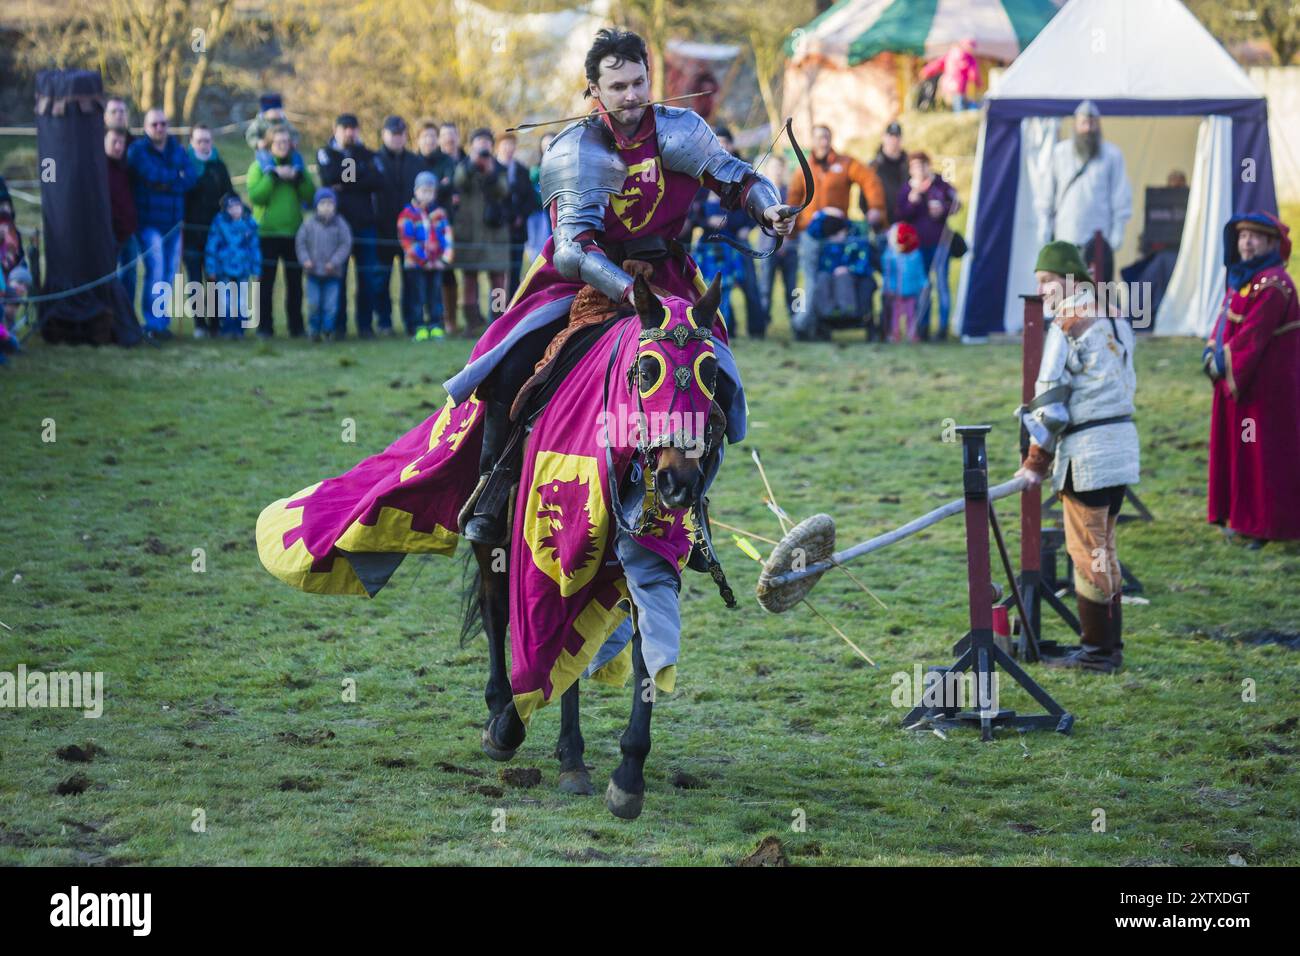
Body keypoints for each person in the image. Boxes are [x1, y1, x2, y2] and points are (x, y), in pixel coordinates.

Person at [455, 26, 794, 544]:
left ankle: (691, 500)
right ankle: (495, 486)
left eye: (639, 82)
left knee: (717, 378)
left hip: (667, 276)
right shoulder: (576, 147)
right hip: (589, 277)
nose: (631, 95)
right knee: (511, 362)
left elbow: (737, 177)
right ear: (594, 91)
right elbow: (572, 248)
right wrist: (631, 296)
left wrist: (767, 208)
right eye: (618, 87)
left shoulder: (681, 129)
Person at [1016, 241, 1139, 674]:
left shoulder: (1067, 322)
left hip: (1089, 454)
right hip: (1122, 447)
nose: (1044, 290)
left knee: (1087, 552)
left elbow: (1050, 403)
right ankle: (1107, 647)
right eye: (1039, 282)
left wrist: (1035, 461)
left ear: (1072, 280)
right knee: (1104, 548)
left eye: (1049, 280)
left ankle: (1098, 654)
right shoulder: (1116, 317)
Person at [1204, 212, 1300, 547]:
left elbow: (1252, 337)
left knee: (1261, 458)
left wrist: (1223, 363)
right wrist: (1211, 350)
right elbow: (1223, 322)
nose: (1247, 242)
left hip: (1265, 391)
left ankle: (1264, 525)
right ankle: (1242, 518)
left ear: (1272, 244)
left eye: (1255, 237)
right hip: (1242, 385)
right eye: (1243, 236)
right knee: (1242, 453)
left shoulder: (1273, 284)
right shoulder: (1244, 279)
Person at [787, 124, 886, 340]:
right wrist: (789, 232)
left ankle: (829, 318)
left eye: (826, 137)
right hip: (810, 235)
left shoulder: (846, 163)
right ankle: (804, 323)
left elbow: (869, 180)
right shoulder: (803, 168)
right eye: (818, 137)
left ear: (831, 139)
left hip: (837, 236)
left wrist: (875, 208)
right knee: (811, 281)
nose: (822, 141)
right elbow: (793, 199)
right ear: (812, 141)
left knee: (837, 277)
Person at [1035, 101, 1132, 283]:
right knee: (1065, 291)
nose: (1088, 128)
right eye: (1083, 123)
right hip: (1066, 235)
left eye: (1092, 123)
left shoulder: (1111, 155)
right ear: (1075, 125)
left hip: (1098, 239)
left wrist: (1118, 230)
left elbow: (1120, 195)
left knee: (1096, 294)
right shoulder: (1059, 153)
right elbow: (1046, 193)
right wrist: (1044, 224)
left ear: (1098, 125)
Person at [127, 109, 198, 340]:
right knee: (155, 270)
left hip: (174, 223)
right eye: (154, 124)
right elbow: (150, 174)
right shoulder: (138, 150)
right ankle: (151, 322)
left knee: (168, 274)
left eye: (163, 124)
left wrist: (168, 180)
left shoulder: (177, 149)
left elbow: (190, 177)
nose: (159, 128)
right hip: (149, 223)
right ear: (146, 127)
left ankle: (161, 322)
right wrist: (173, 177)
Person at [317, 113, 383, 338]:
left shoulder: (367, 153)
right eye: (345, 128)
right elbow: (328, 177)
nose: (349, 132)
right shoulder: (326, 152)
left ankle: (365, 326)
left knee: (367, 278)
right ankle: (339, 327)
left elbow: (377, 181)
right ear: (336, 129)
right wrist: (360, 176)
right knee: (339, 278)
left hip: (365, 225)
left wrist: (346, 183)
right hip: (338, 227)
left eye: (353, 128)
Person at [247, 126, 316, 337]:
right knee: (265, 284)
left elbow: (310, 195)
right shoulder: (259, 166)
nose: (283, 146)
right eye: (278, 143)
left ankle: (296, 326)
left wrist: (299, 178)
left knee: (295, 284)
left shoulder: (299, 167)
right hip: (266, 233)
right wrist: (273, 176)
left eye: (286, 142)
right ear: (269, 144)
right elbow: (256, 196)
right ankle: (265, 326)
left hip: (294, 233)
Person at [895, 150, 957, 341]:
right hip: (917, 246)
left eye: (921, 165)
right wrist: (912, 202)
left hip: (940, 243)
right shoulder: (907, 189)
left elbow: (955, 204)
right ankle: (922, 328)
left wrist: (943, 209)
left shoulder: (940, 185)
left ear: (928, 166)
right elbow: (900, 216)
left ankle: (943, 329)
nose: (918, 169)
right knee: (923, 286)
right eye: (914, 166)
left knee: (942, 285)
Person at [454, 128, 511, 330]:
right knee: (469, 278)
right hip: (470, 232)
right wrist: (472, 165)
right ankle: (472, 323)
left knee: (498, 279)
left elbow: (503, 191)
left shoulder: (498, 168)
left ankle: (499, 321)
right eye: (479, 141)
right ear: (471, 145)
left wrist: (490, 173)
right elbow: (458, 181)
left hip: (495, 234)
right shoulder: (463, 166)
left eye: (487, 142)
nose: (483, 145)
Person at [373, 115, 422, 338]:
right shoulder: (374, 160)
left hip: (410, 233)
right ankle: (384, 322)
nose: (397, 138)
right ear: (384, 134)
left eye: (401, 134)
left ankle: (412, 322)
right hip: (382, 229)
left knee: (410, 281)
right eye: (393, 134)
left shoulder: (415, 161)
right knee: (381, 279)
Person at [183, 124, 234, 337]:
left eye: (207, 140)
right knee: (195, 280)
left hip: (215, 234)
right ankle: (199, 324)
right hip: (191, 233)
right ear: (192, 142)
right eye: (199, 140)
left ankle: (215, 323)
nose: (204, 144)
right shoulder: (185, 165)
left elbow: (229, 194)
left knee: (214, 278)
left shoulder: (219, 167)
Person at [397, 171, 454, 341]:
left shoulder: (440, 214)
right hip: (416, 265)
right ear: (416, 191)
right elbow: (407, 241)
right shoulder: (407, 214)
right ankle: (419, 326)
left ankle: (435, 325)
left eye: (431, 191)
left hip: (436, 264)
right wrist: (424, 260)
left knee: (435, 296)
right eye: (424, 191)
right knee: (418, 296)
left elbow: (447, 237)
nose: (427, 195)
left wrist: (443, 259)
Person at [296, 188, 353, 343]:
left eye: (330, 203)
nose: (326, 207)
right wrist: (305, 260)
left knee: (331, 306)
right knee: (313, 304)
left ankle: (328, 330)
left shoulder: (341, 224)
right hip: (313, 273)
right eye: (323, 203)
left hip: (332, 274)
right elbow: (301, 244)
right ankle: (314, 331)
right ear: (316, 205)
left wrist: (334, 262)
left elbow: (345, 245)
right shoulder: (308, 225)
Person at [203, 192, 261, 338]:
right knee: (226, 300)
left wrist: (256, 270)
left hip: (243, 268)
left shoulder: (249, 224)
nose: (235, 210)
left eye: (238, 207)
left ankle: (240, 329)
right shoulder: (219, 223)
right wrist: (211, 269)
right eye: (231, 208)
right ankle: (227, 328)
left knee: (241, 300)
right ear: (226, 210)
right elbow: (212, 248)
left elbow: (255, 249)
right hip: (224, 268)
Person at [496, 132, 540, 303]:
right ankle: (497, 309)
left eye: (511, 144)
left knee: (515, 270)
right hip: (499, 229)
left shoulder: (522, 170)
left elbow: (530, 198)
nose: (508, 148)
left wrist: (521, 215)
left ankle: (511, 307)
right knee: (498, 274)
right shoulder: (493, 169)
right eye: (505, 144)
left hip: (518, 230)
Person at [104, 126, 139, 316]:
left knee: (130, 276)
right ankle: (111, 316)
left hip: (128, 231)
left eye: (121, 143)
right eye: (114, 142)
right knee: (110, 277)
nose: (118, 147)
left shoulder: (127, 166)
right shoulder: (99, 170)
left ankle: (127, 315)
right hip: (108, 233)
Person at [881, 221, 924, 342]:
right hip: (896, 292)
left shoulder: (915, 255)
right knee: (896, 315)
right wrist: (887, 288)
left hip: (911, 291)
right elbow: (887, 274)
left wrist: (924, 283)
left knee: (911, 314)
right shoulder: (890, 256)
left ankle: (912, 333)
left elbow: (919, 271)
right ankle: (895, 334)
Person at [871, 121, 908, 225]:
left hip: (906, 222)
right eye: (890, 136)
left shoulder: (910, 165)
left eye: (897, 136)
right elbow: (864, 199)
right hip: (880, 223)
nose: (894, 140)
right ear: (883, 137)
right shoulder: (873, 166)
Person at [941, 38, 980, 111]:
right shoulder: (969, 57)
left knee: (956, 102)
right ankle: (960, 115)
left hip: (948, 84)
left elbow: (939, 63)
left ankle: (958, 115)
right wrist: (978, 83)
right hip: (960, 85)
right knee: (960, 103)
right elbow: (973, 74)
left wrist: (927, 71)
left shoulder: (950, 54)